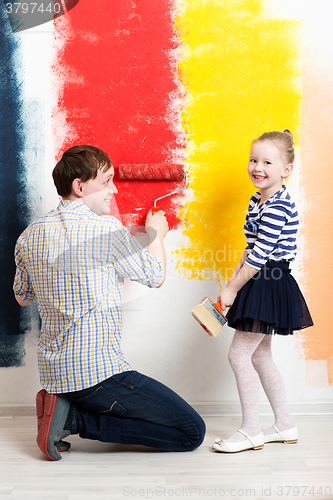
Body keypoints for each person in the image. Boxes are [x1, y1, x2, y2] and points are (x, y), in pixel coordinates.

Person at [13, 145, 205, 461]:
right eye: (106, 181)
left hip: (55, 373)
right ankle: (74, 419)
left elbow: (22, 297)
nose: (113, 189)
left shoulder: (28, 235)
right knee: (191, 432)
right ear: (79, 186)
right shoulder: (104, 229)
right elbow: (154, 276)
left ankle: (64, 408)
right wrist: (155, 233)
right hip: (97, 375)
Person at [212, 131, 313, 454]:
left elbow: (259, 257)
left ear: (286, 169)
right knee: (259, 354)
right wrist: (229, 286)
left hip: (269, 280)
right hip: (260, 281)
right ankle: (284, 424)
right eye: (254, 160)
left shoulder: (278, 206)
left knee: (238, 354)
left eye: (267, 162)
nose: (258, 167)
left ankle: (251, 430)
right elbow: (250, 249)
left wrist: (231, 288)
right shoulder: (259, 200)